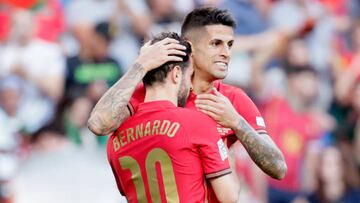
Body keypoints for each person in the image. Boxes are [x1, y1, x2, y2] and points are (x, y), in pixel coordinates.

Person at [88, 7, 287, 202]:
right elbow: (98, 124)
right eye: (216, 43)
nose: (226, 53)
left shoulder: (233, 100)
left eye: (230, 45)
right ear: (190, 47)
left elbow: (278, 168)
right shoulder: (152, 91)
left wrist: (237, 123)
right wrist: (141, 65)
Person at [107, 32, 239, 202]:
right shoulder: (197, 123)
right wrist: (229, 148)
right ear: (176, 74)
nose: (191, 85)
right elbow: (228, 197)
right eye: (190, 75)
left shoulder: (115, 138)